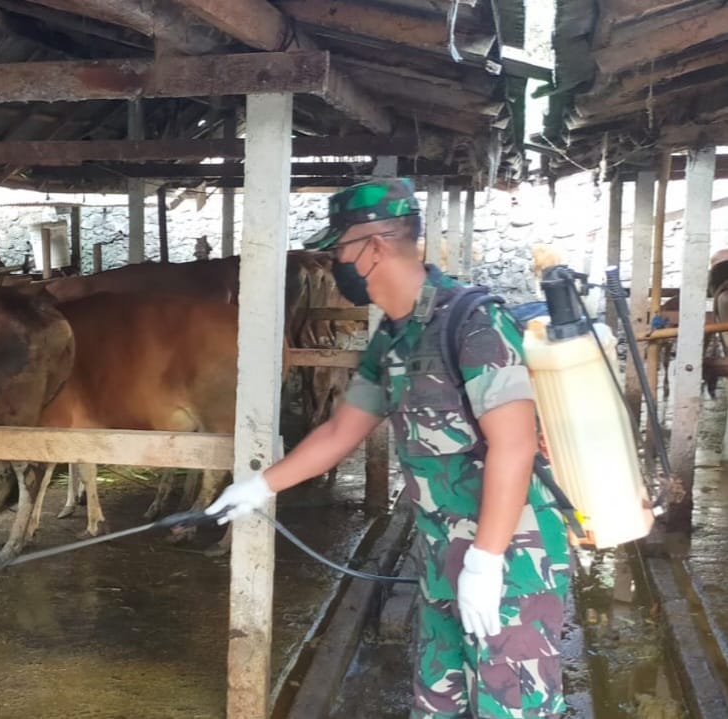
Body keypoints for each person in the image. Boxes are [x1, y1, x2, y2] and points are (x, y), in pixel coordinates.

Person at [206, 178, 572, 719]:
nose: (335, 263)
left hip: (512, 561)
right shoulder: (395, 337)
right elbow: (341, 431)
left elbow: (514, 447)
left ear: (373, 247)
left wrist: (486, 562)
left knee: (513, 709)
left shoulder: (473, 323)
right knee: (437, 703)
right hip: (442, 557)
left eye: (339, 250)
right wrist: (260, 486)